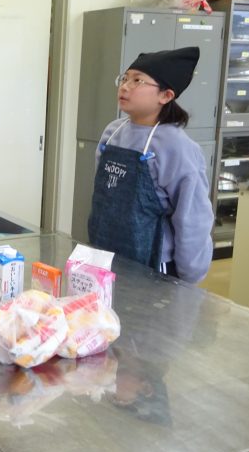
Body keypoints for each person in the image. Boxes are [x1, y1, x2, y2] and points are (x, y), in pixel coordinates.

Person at [88, 46, 213, 284]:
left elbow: (192, 218)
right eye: (124, 78)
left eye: (138, 81)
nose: (125, 86)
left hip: (154, 265)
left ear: (166, 96)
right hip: (106, 253)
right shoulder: (113, 132)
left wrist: (189, 277)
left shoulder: (177, 146)